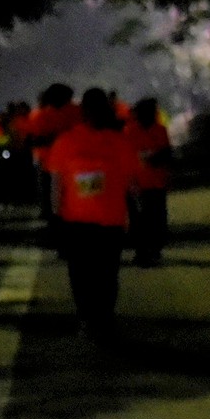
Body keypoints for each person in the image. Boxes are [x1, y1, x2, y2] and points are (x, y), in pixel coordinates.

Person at [40, 87, 149, 338]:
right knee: (95, 274)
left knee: (95, 274)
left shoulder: (107, 142)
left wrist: (55, 215)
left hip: (96, 222)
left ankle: (96, 318)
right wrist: (56, 215)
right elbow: (57, 183)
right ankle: (94, 318)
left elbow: (56, 184)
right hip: (90, 222)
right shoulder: (75, 142)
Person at [122, 96, 174, 267]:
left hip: (156, 183)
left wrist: (155, 160)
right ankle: (142, 252)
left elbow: (166, 154)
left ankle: (154, 250)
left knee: (157, 219)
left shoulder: (160, 130)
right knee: (139, 220)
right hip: (137, 184)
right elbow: (127, 160)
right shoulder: (130, 132)